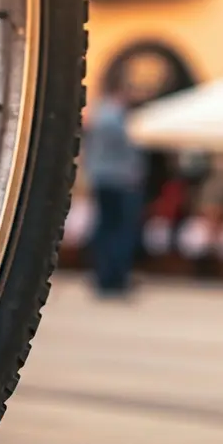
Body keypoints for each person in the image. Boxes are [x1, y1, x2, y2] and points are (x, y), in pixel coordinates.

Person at [82, 83, 146, 297]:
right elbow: (131, 148)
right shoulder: (119, 120)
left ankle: (103, 275)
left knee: (104, 227)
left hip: (101, 178)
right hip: (121, 181)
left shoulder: (98, 117)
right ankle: (116, 276)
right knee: (121, 230)